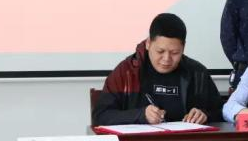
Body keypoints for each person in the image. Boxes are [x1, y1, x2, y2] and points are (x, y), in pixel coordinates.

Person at [92, 13, 223, 126]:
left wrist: (205, 115)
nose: (166, 59)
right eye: (160, 51)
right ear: (148, 43)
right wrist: (141, 115)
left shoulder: (197, 73)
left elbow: (221, 113)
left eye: (175, 53)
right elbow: (100, 116)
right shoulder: (127, 72)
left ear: (183, 48)